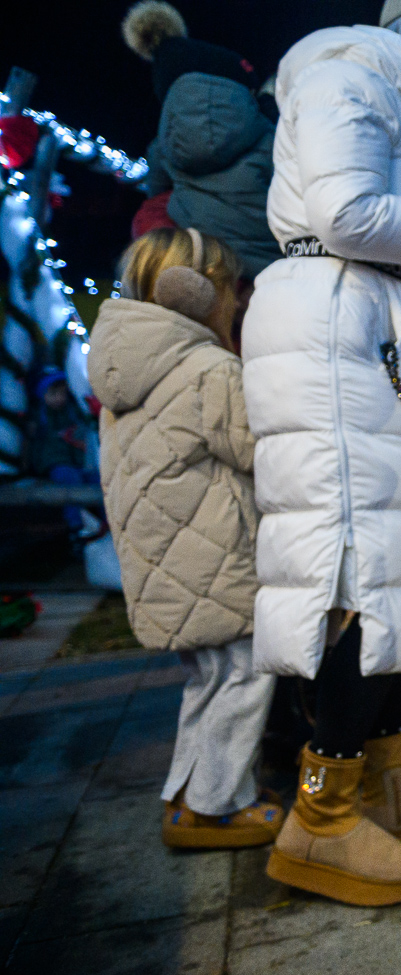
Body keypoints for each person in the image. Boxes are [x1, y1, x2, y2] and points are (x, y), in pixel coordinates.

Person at [242, 0, 401, 907]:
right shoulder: (347, 74)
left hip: (372, 321)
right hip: (339, 315)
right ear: (393, 23)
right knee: (357, 569)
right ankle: (320, 817)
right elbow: (346, 211)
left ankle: (387, 781)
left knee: (395, 565)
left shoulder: (395, 97)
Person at [90, 227, 281, 849]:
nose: (238, 299)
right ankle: (216, 808)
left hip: (166, 568)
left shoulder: (121, 374)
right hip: (216, 561)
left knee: (207, 681)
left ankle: (187, 797)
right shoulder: (208, 368)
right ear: (198, 293)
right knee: (245, 676)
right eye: (230, 287)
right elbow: (256, 452)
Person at [122, 1, 280, 278]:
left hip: (207, 271)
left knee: (151, 216)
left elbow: (157, 195)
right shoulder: (268, 134)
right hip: (272, 269)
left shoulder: (163, 148)